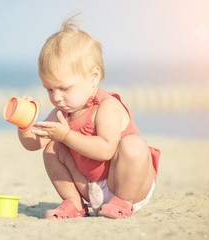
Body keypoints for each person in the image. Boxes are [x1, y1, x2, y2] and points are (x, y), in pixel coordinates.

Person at [17, 13, 160, 219]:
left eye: (64, 88)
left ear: (93, 77)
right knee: (52, 149)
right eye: (49, 89)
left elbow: (106, 150)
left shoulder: (106, 106)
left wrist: (66, 136)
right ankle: (74, 203)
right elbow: (33, 144)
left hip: (129, 184)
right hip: (93, 189)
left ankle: (122, 202)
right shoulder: (62, 112)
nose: (56, 97)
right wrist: (24, 125)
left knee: (133, 145)